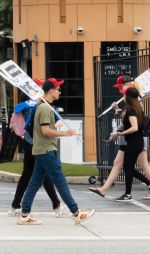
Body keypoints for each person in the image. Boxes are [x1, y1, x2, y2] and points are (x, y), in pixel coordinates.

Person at [17, 80, 95, 226]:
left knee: (34, 182)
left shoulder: (42, 106)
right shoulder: (45, 108)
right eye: (58, 89)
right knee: (60, 181)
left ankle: (24, 214)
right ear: (51, 91)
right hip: (47, 150)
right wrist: (66, 133)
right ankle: (77, 213)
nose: (60, 91)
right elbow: (45, 130)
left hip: (41, 150)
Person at [89, 81, 150, 200]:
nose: (123, 95)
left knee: (129, 167)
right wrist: (119, 111)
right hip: (135, 141)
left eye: (124, 93)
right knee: (128, 167)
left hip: (133, 142)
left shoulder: (132, 110)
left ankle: (149, 186)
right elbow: (131, 122)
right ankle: (133, 191)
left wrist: (121, 132)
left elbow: (134, 127)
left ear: (128, 97)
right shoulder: (136, 109)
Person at [9, 78, 65, 218]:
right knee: (43, 174)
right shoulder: (33, 104)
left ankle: (16, 205)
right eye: (39, 87)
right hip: (36, 143)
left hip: (30, 143)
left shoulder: (31, 104)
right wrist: (55, 125)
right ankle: (57, 205)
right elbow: (40, 126)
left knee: (30, 174)